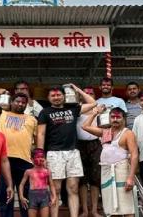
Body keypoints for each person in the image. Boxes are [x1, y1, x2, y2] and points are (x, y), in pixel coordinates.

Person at [37, 84, 96, 217]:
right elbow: (40, 134)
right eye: (53, 95)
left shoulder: (73, 109)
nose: (56, 97)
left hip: (73, 152)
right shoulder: (45, 112)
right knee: (55, 189)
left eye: (59, 95)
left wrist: (78, 90)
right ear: (48, 97)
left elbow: (93, 103)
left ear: (64, 96)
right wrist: (40, 154)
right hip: (54, 153)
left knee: (73, 188)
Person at [82, 106, 138, 217]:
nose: (115, 119)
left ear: (124, 119)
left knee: (126, 207)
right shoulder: (105, 132)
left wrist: (131, 177)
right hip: (106, 171)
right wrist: (94, 113)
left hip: (122, 171)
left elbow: (135, 155)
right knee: (111, 207)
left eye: (118, 117)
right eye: (112, 117)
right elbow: (84, 126)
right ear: (109, 118)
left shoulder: (128, 133)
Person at [0, 93, 38, 217]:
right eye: (17, 101)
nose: (20, 104)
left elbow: (37, 140)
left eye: (23, 102)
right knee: (5, 195)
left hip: (25, 161)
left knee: (25, 195)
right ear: (11, 102)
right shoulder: (1, 114)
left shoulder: (32, 119)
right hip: (4, 159)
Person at [76, 86, 102, 217]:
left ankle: (94, 210)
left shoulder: (99, 108)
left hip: (95, 145)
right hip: (79, 145)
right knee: (82, 179)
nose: (88, 95)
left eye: (91, 93)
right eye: (86, 93)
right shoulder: (77, 108)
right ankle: (85, 210)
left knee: (95, 178)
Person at [19, 148, 57, 217]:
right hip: (32, 196)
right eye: (37, 157)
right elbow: (21, 184)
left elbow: (51, 185)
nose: (40, 159)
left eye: (42, 157)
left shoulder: (47, 171)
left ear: (45, 158)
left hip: (44, 196)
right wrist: (21, 197)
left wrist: (54, 197)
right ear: (32, 159)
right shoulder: (28, 171)